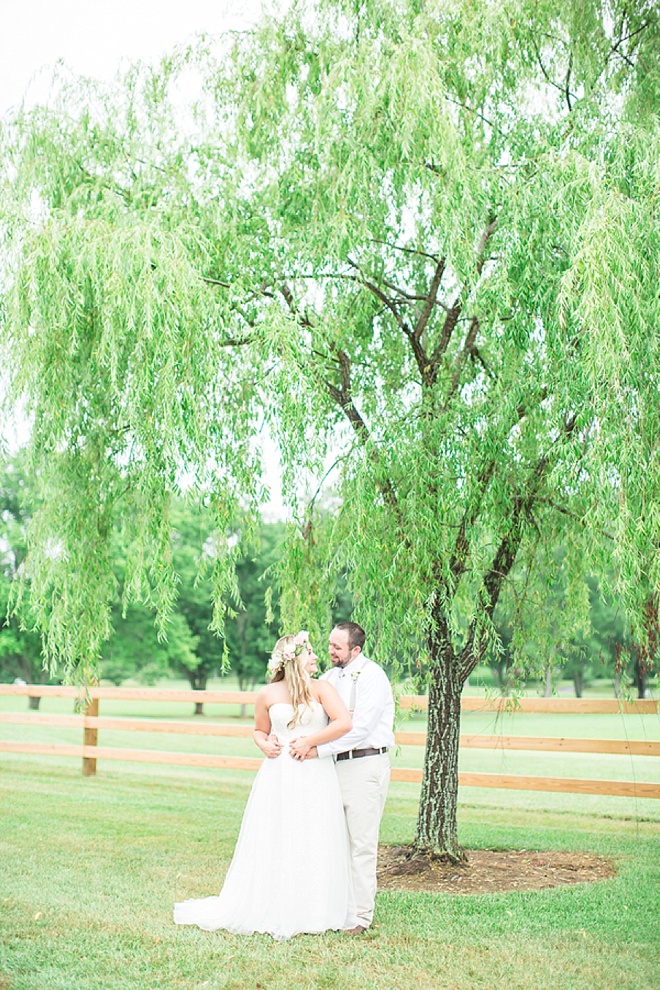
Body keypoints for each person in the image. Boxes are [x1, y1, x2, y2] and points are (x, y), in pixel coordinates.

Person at [173, 631, 358, 940]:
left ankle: (315, 909)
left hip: (314, 772)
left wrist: (310, 741)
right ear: (294, 659)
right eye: (309, 653)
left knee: (314, 833)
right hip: (279, 772)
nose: (315, 657)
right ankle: (273, 905)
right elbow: (259, 730)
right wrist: (263, 744)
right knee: (279, 834)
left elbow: (344, 723)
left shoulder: (322, 688)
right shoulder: (268, 694)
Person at [289, 621, 395, 934]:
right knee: (332, 839)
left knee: (361, 843)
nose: (330, 651)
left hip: (365, 765)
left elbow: (359, 728)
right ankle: (334, 907)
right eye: (330, 644)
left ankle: (361, 917)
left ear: (356, 649)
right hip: (331, 768)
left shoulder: (373, 675)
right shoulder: (330, 677)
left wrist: (316, 749)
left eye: (337, 647)